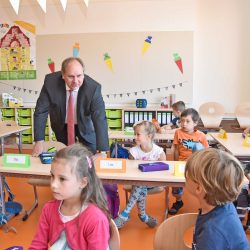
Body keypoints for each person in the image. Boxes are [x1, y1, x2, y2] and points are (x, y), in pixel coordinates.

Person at [29, 144, 110, 250]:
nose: (53, 184)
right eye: (52, 176)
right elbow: (37, 245)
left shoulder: (96, 219)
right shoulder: (49, 209)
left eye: (62, 179)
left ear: (82, 182)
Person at [32, 57, 109, 156]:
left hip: (85, 126)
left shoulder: (93, 88)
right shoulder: (50, 83)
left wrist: (102, 150)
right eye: (71, 76)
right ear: (63, 75)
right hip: (61, 125)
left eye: (79, 76)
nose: (76, 81)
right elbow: (41, 111)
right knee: (65, 157)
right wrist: (39, 141)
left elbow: (100, 118)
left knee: (90, 158)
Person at [185, 148, 249, 250]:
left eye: (188, 174)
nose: (186, 177)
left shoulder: (211, 233)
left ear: (198, 188)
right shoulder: (226, 205)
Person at [114, 121, 166, 229]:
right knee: (140, 183)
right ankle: (143, 216)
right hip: (139, 183)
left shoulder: (159, 152)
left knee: (140, 184)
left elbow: (164, 172)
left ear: (149, 136)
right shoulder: (133, 151)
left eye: (138, 134)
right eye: (135, 134)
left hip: (154, 183)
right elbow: (131, 171)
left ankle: (126, 213)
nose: (135, 137)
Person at [169, 108, 209, 215]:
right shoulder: (178, 132)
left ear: (195, 123)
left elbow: (206, 152)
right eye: (182, 121)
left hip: (196, 166)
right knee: (176, 187)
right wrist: (175, 163)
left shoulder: (201, 136)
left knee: (202, 186)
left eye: (187, 121)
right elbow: (176, 149)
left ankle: (204, 205)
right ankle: (178, 201)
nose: (184, 124)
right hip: (182, 164)